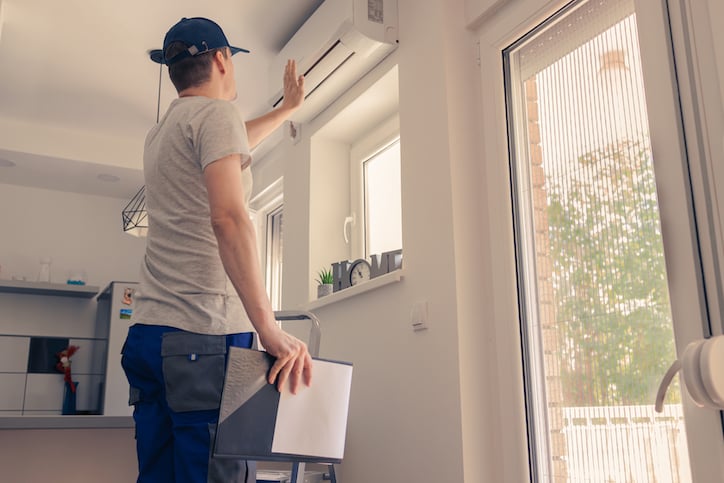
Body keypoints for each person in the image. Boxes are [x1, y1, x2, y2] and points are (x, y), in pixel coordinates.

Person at [121, 17, 313, 483]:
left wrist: (286, 110)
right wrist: (268, 328)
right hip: (203, 338)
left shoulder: (160, 133)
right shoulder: (217, 116)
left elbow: (232, 138)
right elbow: (229, 219)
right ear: (223, 59)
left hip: (149, 336)